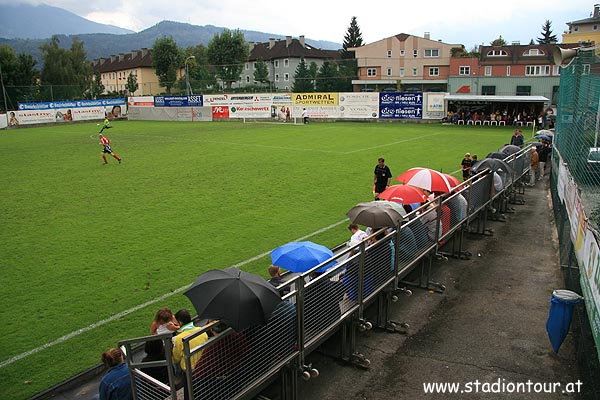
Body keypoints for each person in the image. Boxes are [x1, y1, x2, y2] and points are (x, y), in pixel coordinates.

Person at [172, 322, 209, 400]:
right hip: (203, 367)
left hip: (189, 371)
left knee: (189, 393)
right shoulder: (201, 330)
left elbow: (176, 359)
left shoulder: (179, 338)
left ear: (180, 322)